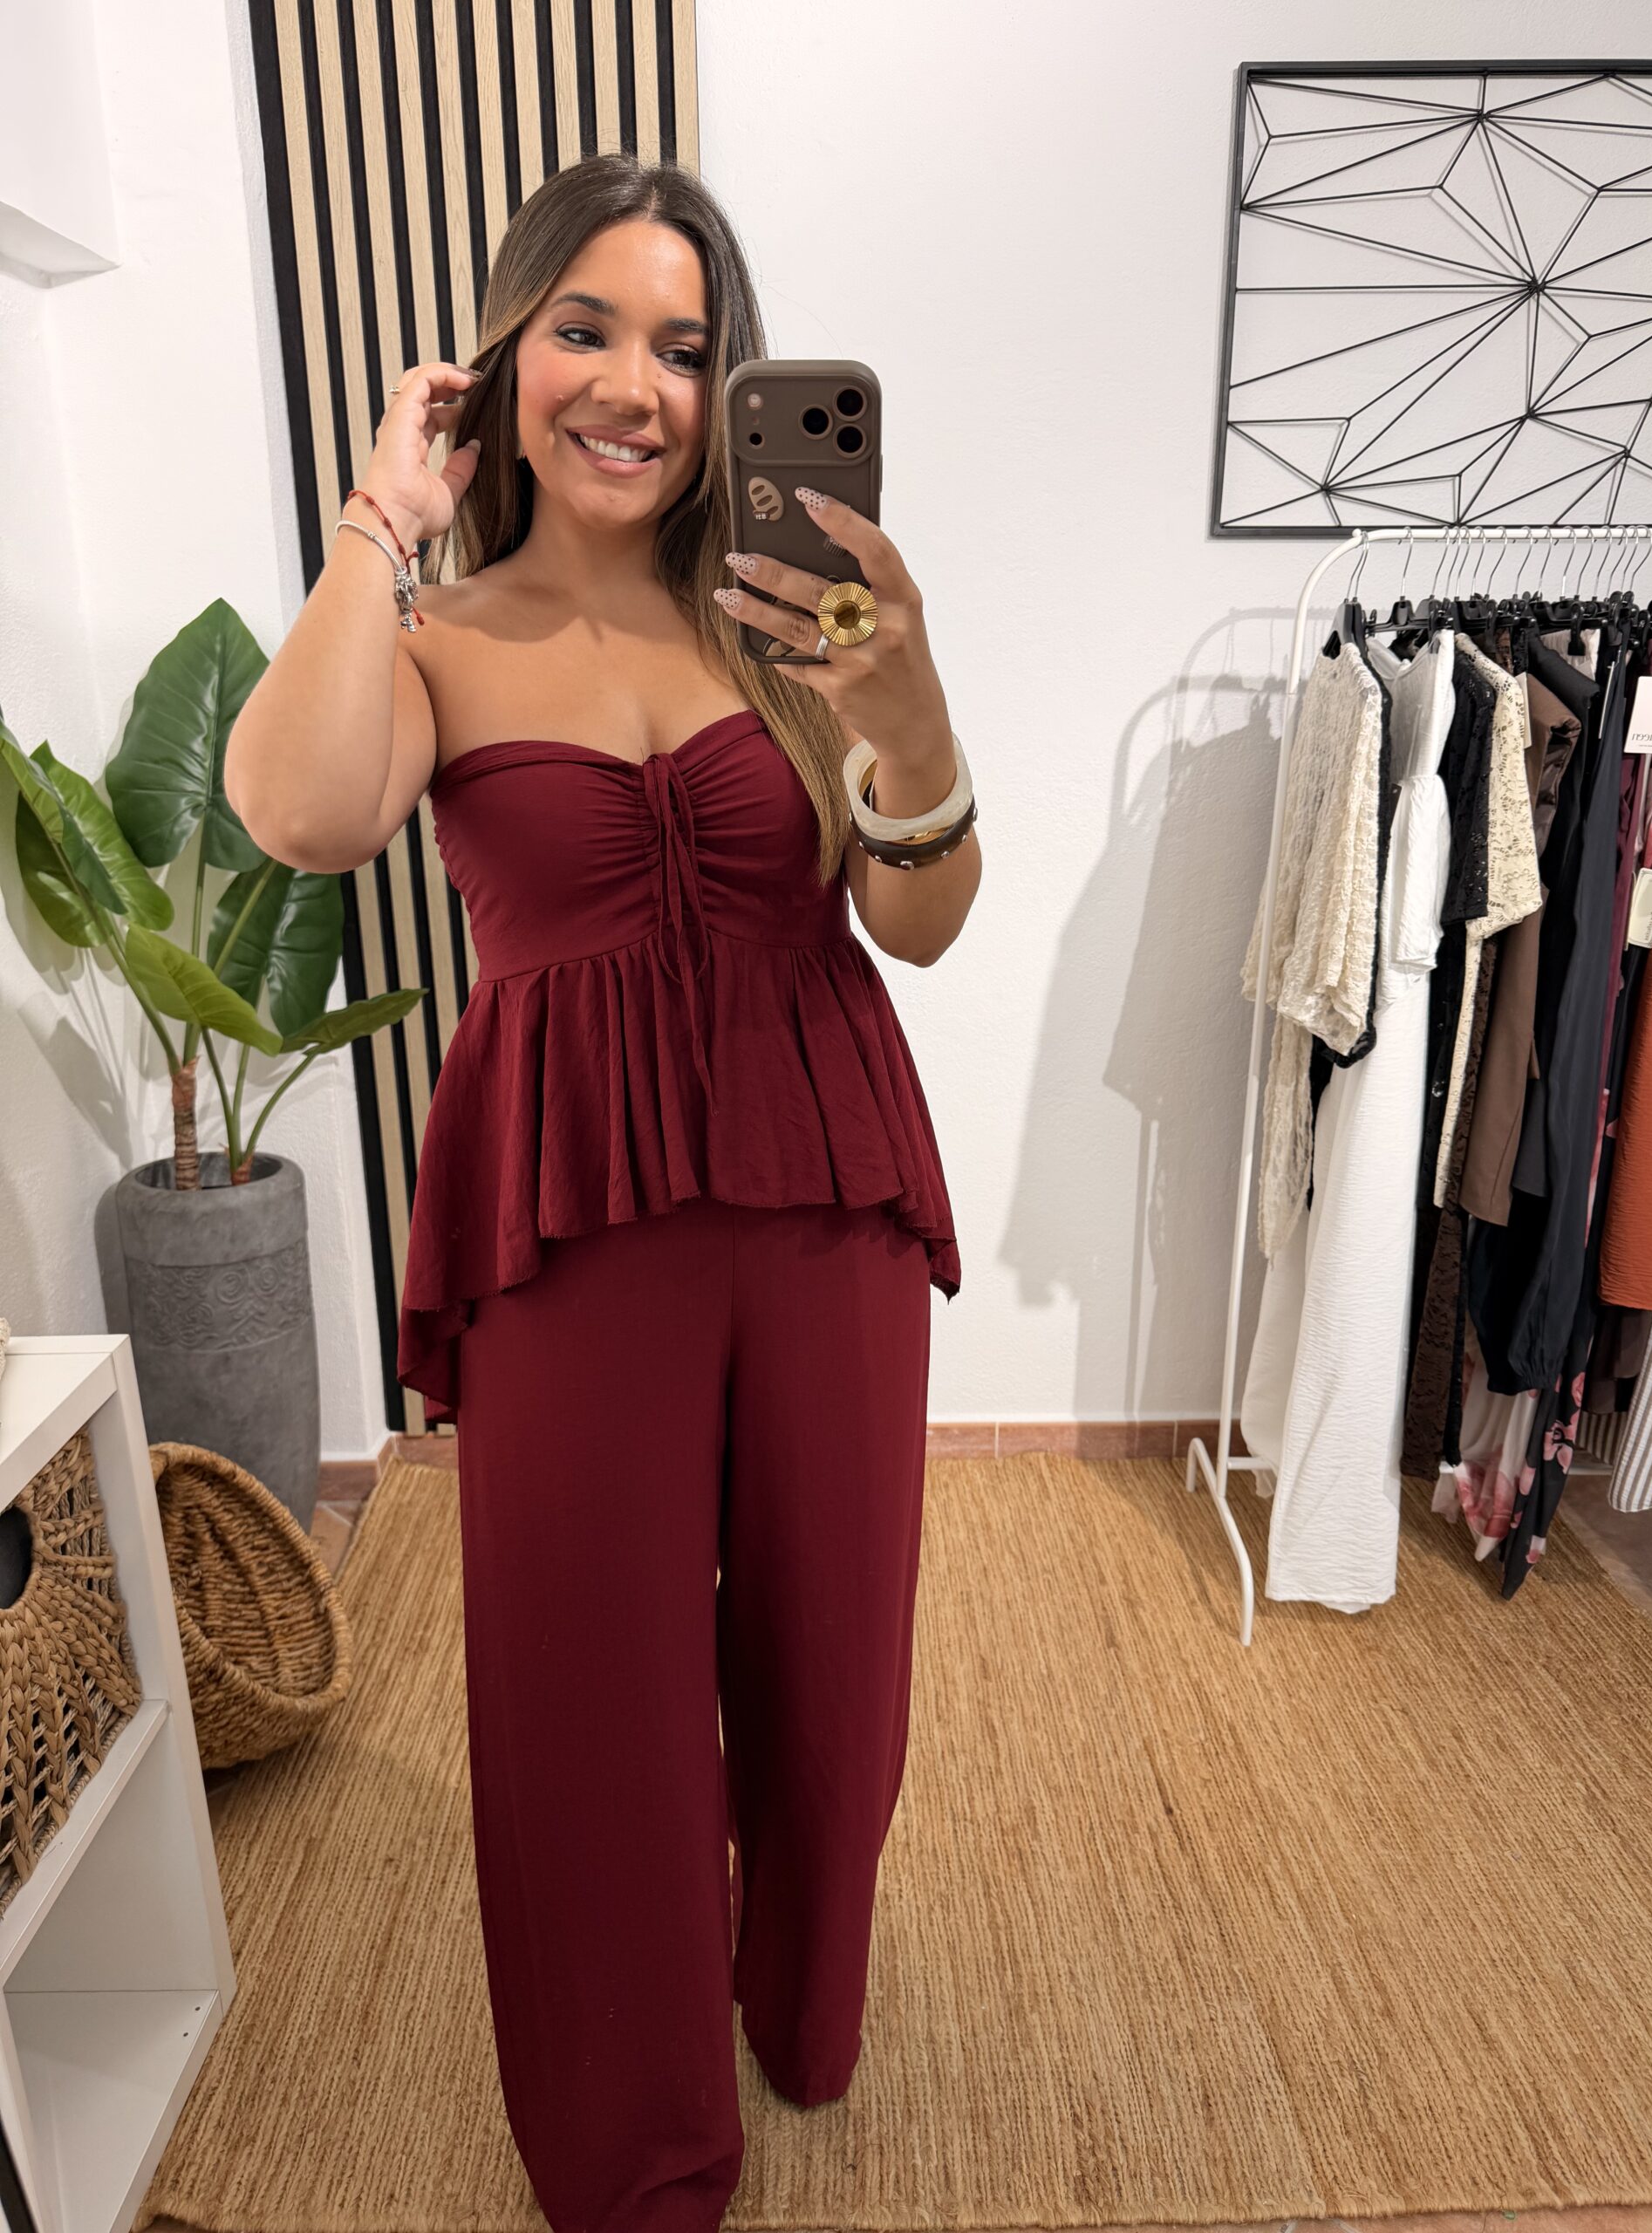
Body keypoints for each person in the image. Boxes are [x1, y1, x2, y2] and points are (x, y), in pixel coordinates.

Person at [225, 154, 979, 2233]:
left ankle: (800, 2002)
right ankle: (637, 2147)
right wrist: (380, 518)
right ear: (503, 353)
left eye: (684, 345)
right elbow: (299, 811)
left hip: (824, 1185)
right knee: (593, 1697)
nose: (634, 384)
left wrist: (908, 715)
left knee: (834, 1665)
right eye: (585, 328)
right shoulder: (434, 636)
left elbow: (920, 921)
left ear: (731, 384)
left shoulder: (795, 620)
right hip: (569, 1220)